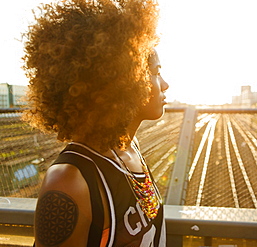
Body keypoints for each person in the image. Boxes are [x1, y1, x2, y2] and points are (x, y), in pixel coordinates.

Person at [22, 0, 168, 246]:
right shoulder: (69, 182)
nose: (164, 83)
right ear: (124, 79)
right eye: (155, 72)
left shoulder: (129, 151)